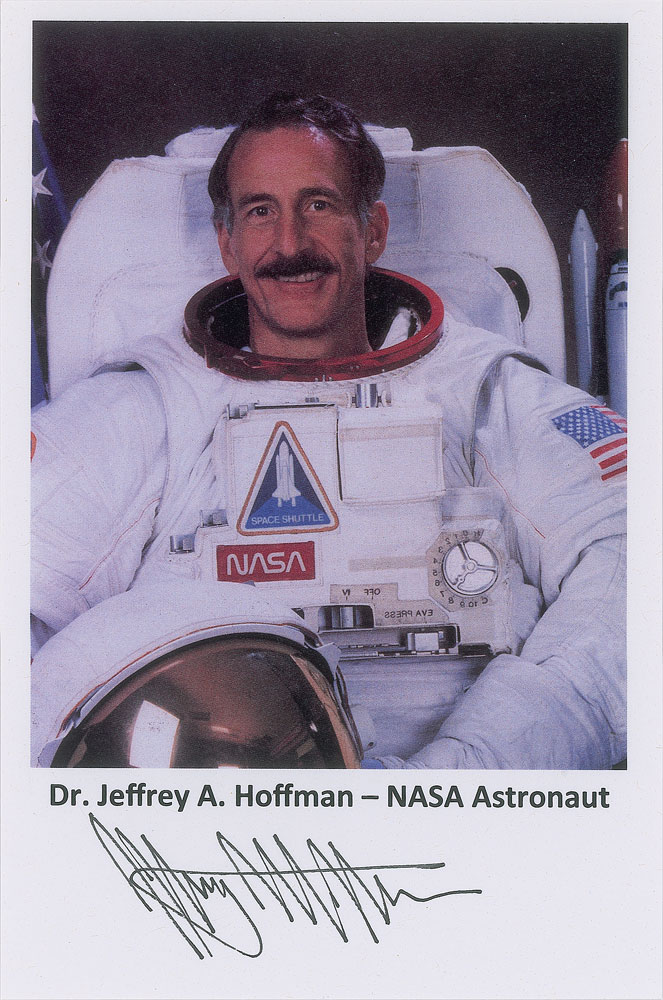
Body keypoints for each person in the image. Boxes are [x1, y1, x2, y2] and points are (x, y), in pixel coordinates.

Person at [31, 93, 626, 769]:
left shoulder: (490, 393)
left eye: (318, 205)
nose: (289, 245)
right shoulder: (147, 406)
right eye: (260, 212)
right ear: (227, 244)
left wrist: (463, 774)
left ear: (371, 230)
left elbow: (632, 558)